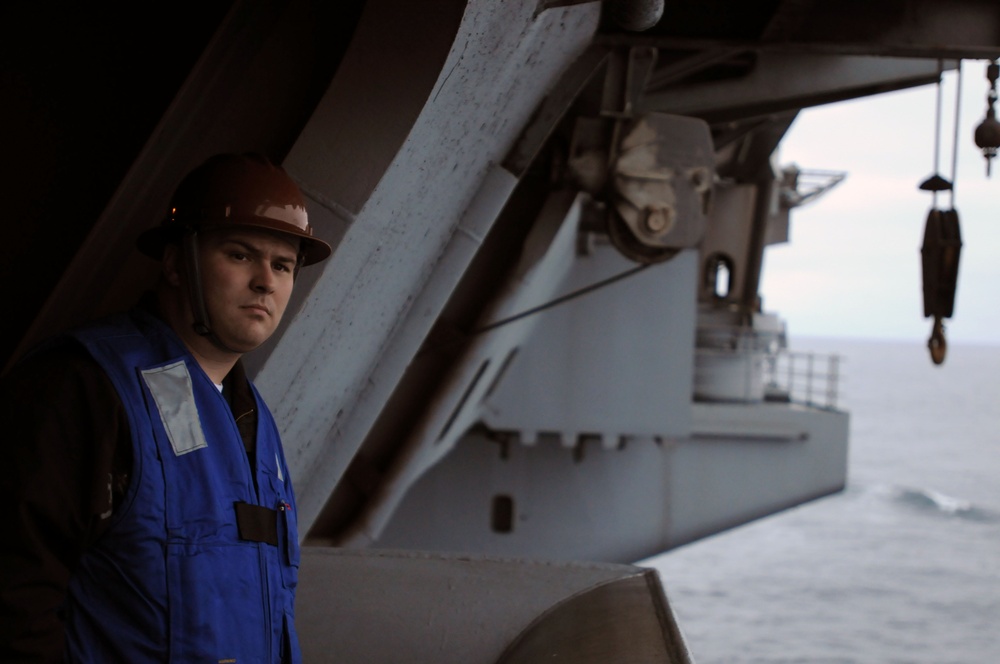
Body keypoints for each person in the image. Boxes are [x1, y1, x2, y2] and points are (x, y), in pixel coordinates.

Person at [0, 153, 332, 663]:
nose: (266, 280)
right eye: (241, 255)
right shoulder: (85, 386)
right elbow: (16, 597)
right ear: (177, 263)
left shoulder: (255, 423)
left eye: (283, 265)